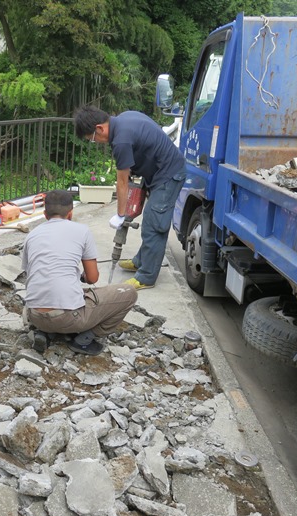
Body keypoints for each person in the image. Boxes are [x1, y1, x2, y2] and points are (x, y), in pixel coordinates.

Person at [73, 105, 187, 289]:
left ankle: (146, 277)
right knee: (152, 220)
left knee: (154, 224)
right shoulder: (125, 117)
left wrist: (120, 215)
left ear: (99, 128)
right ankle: (141, 261)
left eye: (93, 139)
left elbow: (122, 182)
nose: (96, 142)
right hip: (157, 171)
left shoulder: (121, 141)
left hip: (169, 174)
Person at [22, 189, 138, 356]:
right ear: (70, 214)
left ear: (45, 214)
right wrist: (82, 276)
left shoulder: (31, 235)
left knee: (56, 293)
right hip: (69, 319)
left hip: (34, 315)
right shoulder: (82, 231)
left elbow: (34, 275)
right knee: (129, 293)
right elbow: (92, 278)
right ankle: (84, 339)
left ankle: (46, 332)